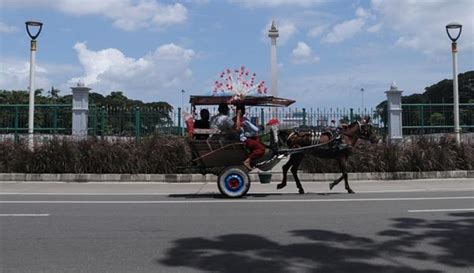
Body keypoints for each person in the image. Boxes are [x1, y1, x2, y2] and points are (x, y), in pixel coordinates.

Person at [235, 105, 265, 170]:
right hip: (243, 140)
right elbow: (255, 129)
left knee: (256, 141)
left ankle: (252, 161)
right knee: (261, 148)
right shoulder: (244, 120)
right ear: (243, 111)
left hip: (238, 139)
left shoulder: (234, 119)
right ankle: (248, 160)